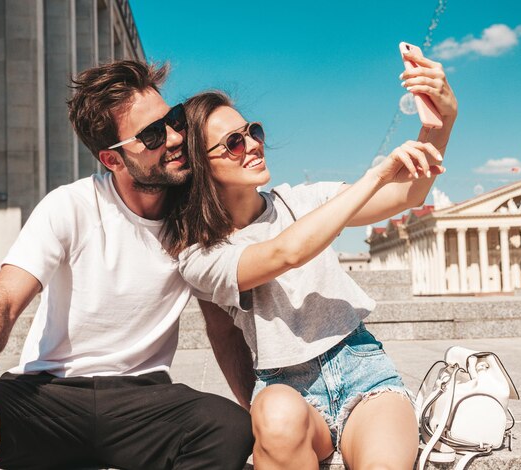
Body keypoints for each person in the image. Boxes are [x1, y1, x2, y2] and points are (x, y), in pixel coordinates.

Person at [165, 49, 458, 469]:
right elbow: (285, 253)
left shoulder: (303, 200)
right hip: (286, 388)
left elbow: (409, 194)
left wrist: (443, 120)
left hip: (363, 370)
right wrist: (375, 174)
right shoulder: (200, 255)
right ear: (201, 164)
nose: (251, 145)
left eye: (252, 132)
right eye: (232, 143)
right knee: (275, 415)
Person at [0, 60, 254, 470]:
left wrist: (254, 408)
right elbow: (2, 300)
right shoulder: (71, 205)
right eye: (151, 135)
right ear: (112, 160)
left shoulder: (193, 218)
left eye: (174, 119)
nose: (174, 137)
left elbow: (220, 326)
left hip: (144, 403)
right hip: (49, 397)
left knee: (229, 427)